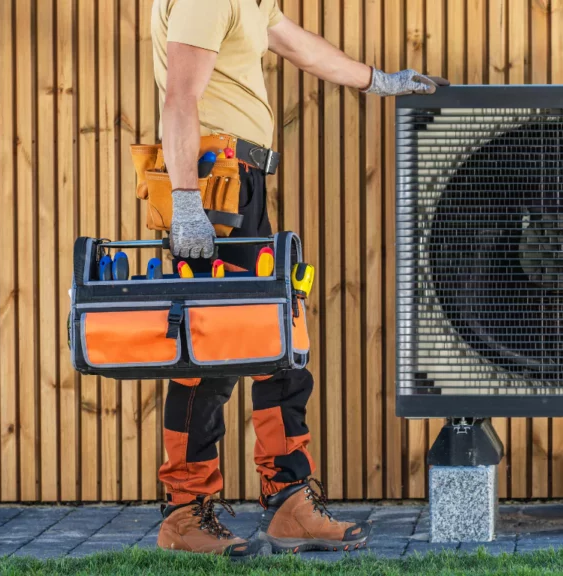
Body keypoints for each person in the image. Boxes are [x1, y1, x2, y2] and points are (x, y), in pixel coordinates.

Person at [150, 0, 446, 558]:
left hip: (243, 186)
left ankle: (287, 501)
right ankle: (184, 513)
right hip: (215, 187)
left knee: (279, 344)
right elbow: (180, 97)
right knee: (206, 357)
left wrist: (378, 81)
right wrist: (187, 200)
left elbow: (298, 43)